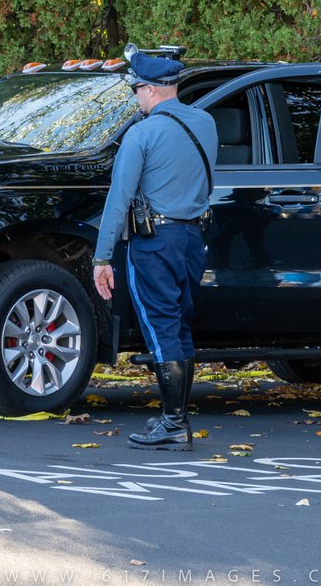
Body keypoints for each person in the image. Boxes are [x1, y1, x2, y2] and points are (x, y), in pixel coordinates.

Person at [92, 50, 218, 451]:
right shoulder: (206, 123)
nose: (136, 99)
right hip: (192, 239)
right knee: (179, 324)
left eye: (137, 91)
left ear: (149, 89)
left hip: (154, 240)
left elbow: (118, 199)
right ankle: (175, 416)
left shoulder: (142, 134)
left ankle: (173, 423)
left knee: (161, 326)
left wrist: (101, 258)